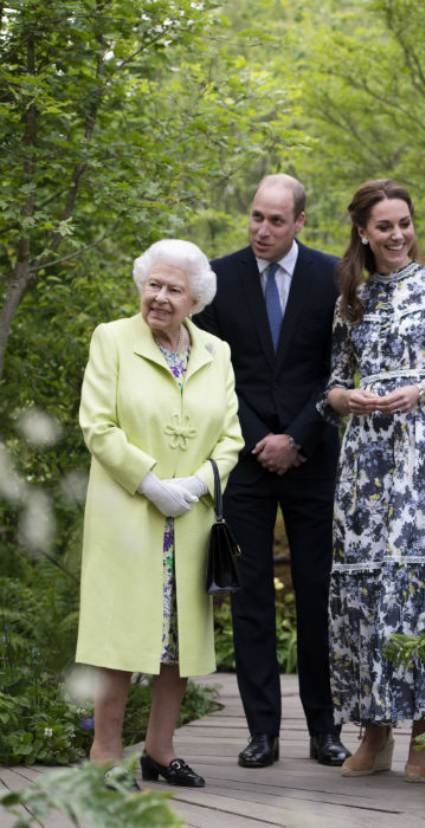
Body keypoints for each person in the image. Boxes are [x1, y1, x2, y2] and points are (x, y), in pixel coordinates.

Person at [319, 179, 425, 781]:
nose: (397, 235)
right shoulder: (351, 299)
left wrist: (419, 392)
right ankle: (375, 732)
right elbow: (332, 385)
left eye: (405, 223)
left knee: (424, 582)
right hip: (366, 462)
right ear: (363, 231)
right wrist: (349, 398)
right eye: (385, 226)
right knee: (368, 587)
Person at [194, 174, 350, 768]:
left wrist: (301, 435)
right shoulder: (218, 278)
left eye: (276, 221)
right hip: (247, 462)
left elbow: (340, 366)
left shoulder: (334, 277)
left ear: (301, 223)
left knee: (317, 596)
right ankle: (262, 733)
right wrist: (264, 440)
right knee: (250, 598)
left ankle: (324, 731)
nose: (262, 230)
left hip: (314, 458)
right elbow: (212, 373)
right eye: (256, 217)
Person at [76, 239, 243, 789]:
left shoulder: (216, 352)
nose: (160, 297)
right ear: (141, 285)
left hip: (190, 520)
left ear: (195, 298)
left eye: (174, 289)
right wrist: (150, 482)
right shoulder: (113, 340)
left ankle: (159, 749)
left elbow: (231, 436)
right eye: (154, 284)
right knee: (118, 639)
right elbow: (98, 425)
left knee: (177, 642)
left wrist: (197, 484)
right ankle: (104, 753)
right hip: (130, 514)